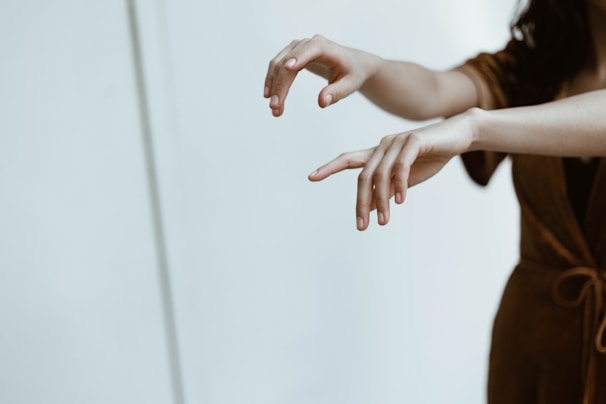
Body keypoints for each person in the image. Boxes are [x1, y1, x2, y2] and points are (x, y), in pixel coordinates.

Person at [264, 0, 606, 403]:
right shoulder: (542, 64)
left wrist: (475, 127)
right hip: (534, 345)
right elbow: (437, 90)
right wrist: (368, 67)